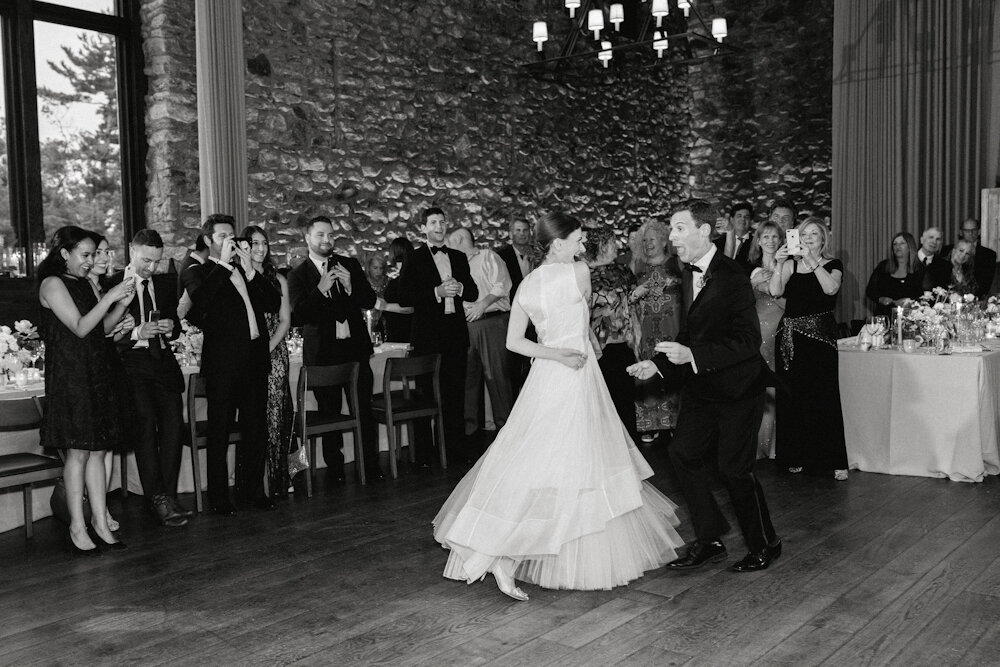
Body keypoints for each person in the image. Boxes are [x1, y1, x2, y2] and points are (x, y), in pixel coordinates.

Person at [434, 212, 683, 599]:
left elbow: (518, 341)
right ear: (558, 243)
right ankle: (508, 552)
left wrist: (567, 351)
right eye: (579, 240)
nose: (583, 247)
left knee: (546, 459)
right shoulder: (578, 272)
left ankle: (507, 554)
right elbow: (556, 330)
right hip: (570, 372)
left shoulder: (528, 284)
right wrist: (567, 354)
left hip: (554, 374)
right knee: (564, 459)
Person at [628, 199, 780, 573]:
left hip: (738, 389)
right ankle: (711, 538)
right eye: (671, 228)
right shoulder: (686, 273)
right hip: (701, 387)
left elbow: (747, 341)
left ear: (704, 231)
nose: (672, 236)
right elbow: (687, 333)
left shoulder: (732, 276)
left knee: (734, 470)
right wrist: (659, 365)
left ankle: (766, 544)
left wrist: (692, 355)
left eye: (679, 228)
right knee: (682, 454)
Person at [38, 226, 135, 553]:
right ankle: (77, 526)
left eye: (93, 254)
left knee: (97, 450)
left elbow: (101, 330)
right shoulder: (52, 284)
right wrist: (109, 296)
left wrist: (121, 306)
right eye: (85, 254)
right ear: (64, 254)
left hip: (95, 374)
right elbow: (79, 328)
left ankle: (98, 520)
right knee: (78, 452)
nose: (91, 261)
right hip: (70, 378)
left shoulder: (87, 284)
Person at [185, 213, 281, 514]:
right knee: (220, 431)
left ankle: (252, 491)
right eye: (223, 236)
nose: (230, 240)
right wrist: (224, 265)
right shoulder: (201, 272)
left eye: (232, 235)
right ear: (209, 241)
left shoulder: (246, 269)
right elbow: (197, 310)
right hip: (223, 365)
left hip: (254, 361)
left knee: (255, 430)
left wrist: (250, 271)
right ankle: (218, 498)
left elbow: (273, 303)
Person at [288, 215, 382, 483]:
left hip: (355, 351)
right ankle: (336, 470)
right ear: (308, 238)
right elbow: (299, 314)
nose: (327, 240)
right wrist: (320, 290)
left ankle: (370, 466)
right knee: (329, 416)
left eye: (330, 235)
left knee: (363, 409)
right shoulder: (298, 275)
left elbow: (370, 300)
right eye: (320, 235)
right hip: (323, 356)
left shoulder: (349, 264)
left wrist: (352, 285)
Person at [107, 229, 190, 527]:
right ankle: (156, 498)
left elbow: (178, 326)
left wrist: (169, 327)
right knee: (144, 426)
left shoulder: (166, 283)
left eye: (156, 262)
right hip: (130, 365)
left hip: (162, 362)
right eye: (145, 260)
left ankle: (167, 496)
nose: (151, 268)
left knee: (173, 427)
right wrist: (137, 332)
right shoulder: (111, 283)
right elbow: (102, 335)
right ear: (132, 250)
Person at [384, 207, 478, 466]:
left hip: (456, 337)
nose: (439, 226)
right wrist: (436, 292)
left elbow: (473, 292)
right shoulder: (414, 258)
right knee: (425, 396)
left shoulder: (458, 257)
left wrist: (460, 289)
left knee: (455, 396)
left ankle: (455, 451)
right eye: (433, 222)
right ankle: (425, 455)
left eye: (442, 222)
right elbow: (402, 295)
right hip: (428, 339)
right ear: (423, 229)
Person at [770, 217, 848, 481]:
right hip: (790, 338)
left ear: (823, 238)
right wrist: (779, 263)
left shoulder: (832, 265)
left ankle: (834, 460)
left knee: (824, 397)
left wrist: (813, 262)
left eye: (815, 233)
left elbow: (831, 288)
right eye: (804, 233)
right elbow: (775, 290)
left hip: (820, 339)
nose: (809, 237)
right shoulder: (791, 264)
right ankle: (796, 456)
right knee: (793, 397)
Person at [446, 227, 514, 439]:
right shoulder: (454, 264)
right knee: (468, 380)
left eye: (449, 242)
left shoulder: (488, 256)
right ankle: (469, 434)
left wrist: (481, 305)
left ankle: (507, 432)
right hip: (465, 326)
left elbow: (502, 286)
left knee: (497, 378)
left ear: (459, 239)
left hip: (491, 322)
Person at [84, 235, 131, 533]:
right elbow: (92, 331)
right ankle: (95, 511)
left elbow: (104, 336)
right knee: (96, 448)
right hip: (91, 373)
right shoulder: (83, 289)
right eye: (96, 253)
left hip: (109, 368)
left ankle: (102, 508)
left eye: (105, 252)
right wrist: (116, 306)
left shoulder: (100, 287)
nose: (103, 258)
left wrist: (122, 324)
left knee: (110, 445)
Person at [245, 225, 294, 497]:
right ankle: (255, 481)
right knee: (254, 418)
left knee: (277, 416)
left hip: (274, 351)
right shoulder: (238, 276)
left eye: (264, 243)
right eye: (254, 243)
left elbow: (285, 321)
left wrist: (267, 349)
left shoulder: (278, 279)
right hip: (248, 353)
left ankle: (279, 477)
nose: (260, 248)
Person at [583, 225, 639, 442]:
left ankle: (628, 451)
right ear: (603, 245)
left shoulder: (623, 270)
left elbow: (632, 303)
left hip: (623, 343)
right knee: (598, 401)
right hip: (596, 347)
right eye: (613, 242)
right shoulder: (582, 273)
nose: (617, 246)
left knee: (624, 399)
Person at [629, 219, 682, 444]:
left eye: (652, 238)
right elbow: (628, 296)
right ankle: (651, 424)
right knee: (647, 371)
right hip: (647, 328)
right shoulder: (637, 265)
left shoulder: (676, 263)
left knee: (673, 369)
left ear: (663, 240)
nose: (648, 243)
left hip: (673, 327)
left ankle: (676, 423)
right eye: (645, 239)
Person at [747, 222, 785, 459]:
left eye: (775, 237)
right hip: (760, 329)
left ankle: (777, 445)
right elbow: (773, 293)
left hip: (782, 326)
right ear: (759, 241)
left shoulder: (788, 266)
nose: (771, 240)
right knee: (763, 383)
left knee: (780, 381)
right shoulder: (753, 272)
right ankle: (761, 445)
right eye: (766, 236)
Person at [865, 232, 925, 317]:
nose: (898, 247)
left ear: (910, 247)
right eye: (895, 244)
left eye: (902, 243)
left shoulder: (920, 269)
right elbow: (870, 290)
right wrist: (881, 299)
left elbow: (927, 296)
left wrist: (909, 301)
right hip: (884, 317)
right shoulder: (883, 267)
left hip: (911, 318)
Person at [942, 218, 996, 297]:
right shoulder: (946, 251)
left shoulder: (989, 255)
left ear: (979, 231)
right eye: (967, 230)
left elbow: (984, 285)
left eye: (974, 230)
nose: (971, 233)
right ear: (961, 232)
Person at [378, 237, 414, 343]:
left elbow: (410, 307)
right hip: (397, 330)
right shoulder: (403, 278)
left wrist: (385, 306)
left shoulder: (406, 280)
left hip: (403, 331)